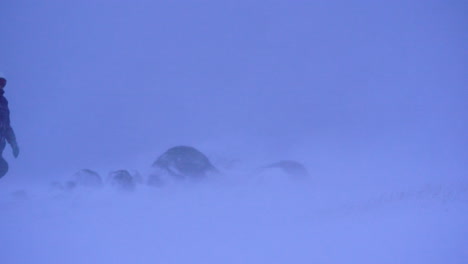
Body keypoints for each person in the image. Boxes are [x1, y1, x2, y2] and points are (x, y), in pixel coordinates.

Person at [0, 74, 19, 178]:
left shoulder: (3, 102)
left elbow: (7, 126)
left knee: (3, 167)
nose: (1, 86)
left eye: (2, 84)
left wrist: (14, 144)